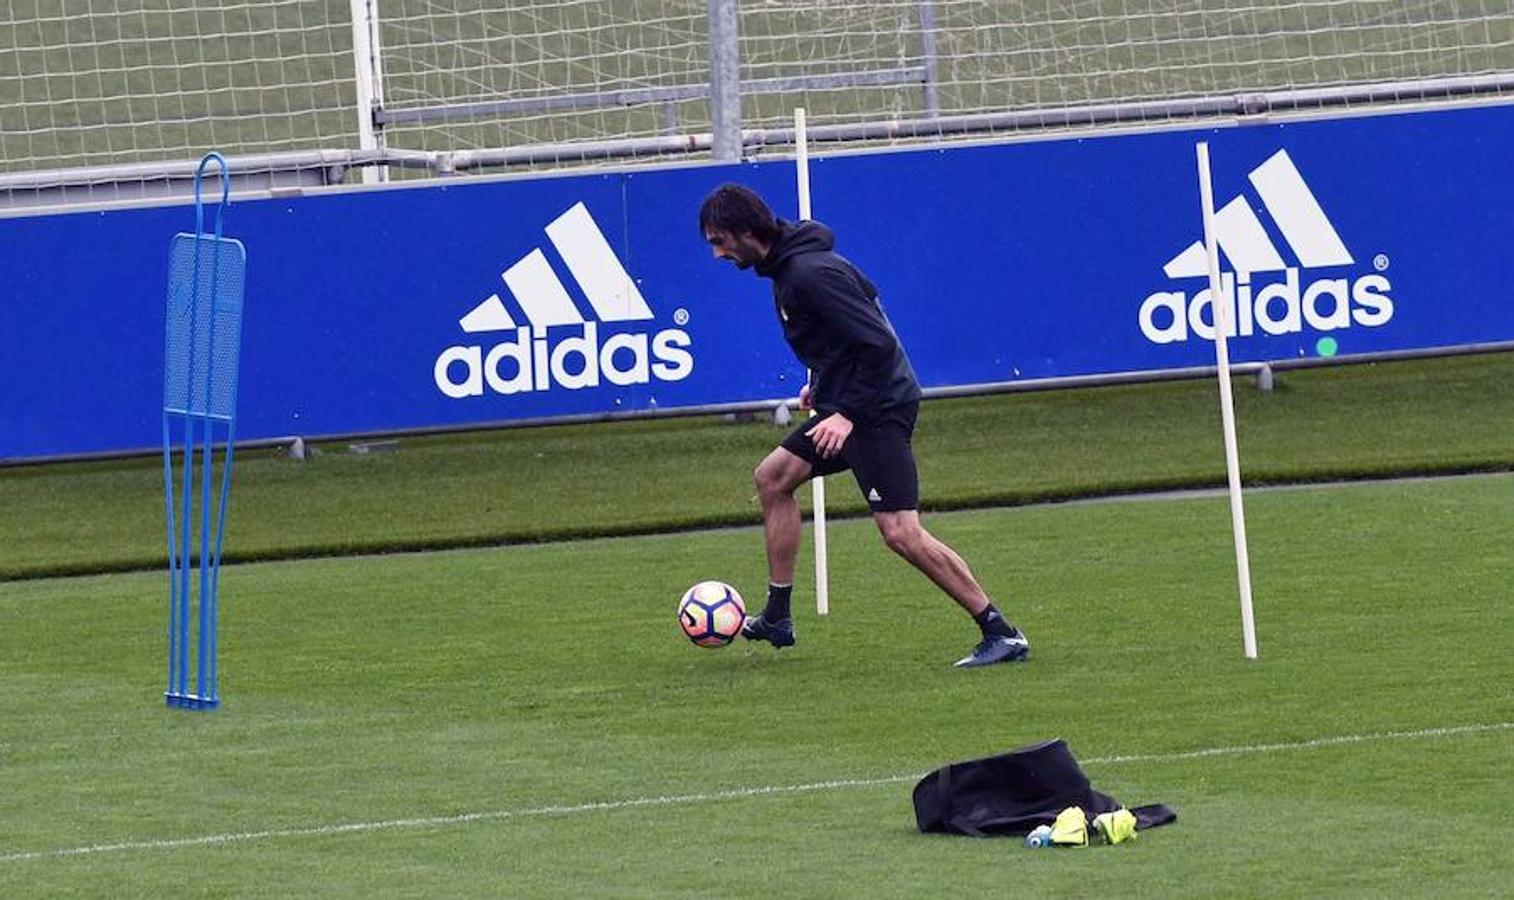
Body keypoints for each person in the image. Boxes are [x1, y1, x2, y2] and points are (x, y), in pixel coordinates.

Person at [698, 183, 1029, 668]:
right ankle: (777, 615)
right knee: (773, 478)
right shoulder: (790, 271)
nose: (718, 253)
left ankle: (1001, 631)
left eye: (719, 240)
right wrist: (822, 385)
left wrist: (847, 412)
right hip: (847, 404)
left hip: (875, 410)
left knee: (900, 532)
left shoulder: (809, 273)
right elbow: (842, 341)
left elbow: (876, 344)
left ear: (747, 232)